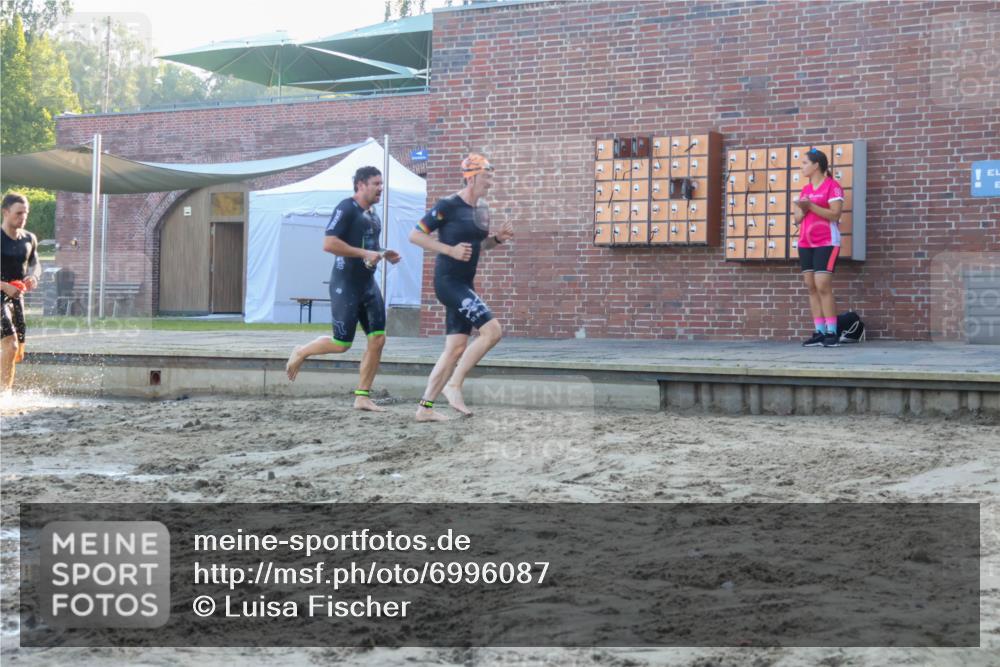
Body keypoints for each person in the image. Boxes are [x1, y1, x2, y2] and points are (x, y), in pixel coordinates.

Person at [285, 167, 400, 411]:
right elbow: (329, 243)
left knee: (378, 338)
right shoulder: (346, 208)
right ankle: (302, 351)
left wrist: (382, 253)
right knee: (341, 344)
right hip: (345, 283)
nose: (381, 188)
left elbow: (369, 246)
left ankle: (362, 396)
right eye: (376, 184)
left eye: (382, 183)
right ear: (360, 185)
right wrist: (364, 253)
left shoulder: (374, 214)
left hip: (368, 283)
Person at [410, 153, 514, 421]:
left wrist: (497, 240)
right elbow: (415, 235)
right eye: (488, 175)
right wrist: (449, 250)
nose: (491, 181)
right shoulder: (448, 205)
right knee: (492, 331)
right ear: (473, 176)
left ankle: (424, 408)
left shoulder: (482, 209)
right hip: (448, 282)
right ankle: (454, 385)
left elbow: (479, 246)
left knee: (455, 348)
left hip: (465, 283)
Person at [794, 148, 845, 348]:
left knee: (823, 285)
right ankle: (820, 332)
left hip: (826, 242)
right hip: (805, 242)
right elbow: (797, 218)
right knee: (811, 286)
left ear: (816, 165)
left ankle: (833, 332)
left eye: (805, 163)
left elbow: (835, 214)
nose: (802, 167)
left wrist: (810, 206)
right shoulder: (805, 190)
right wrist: (802, 208)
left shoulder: (833, 186)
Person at [1, 192, 41, 391]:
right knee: (11, 345)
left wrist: (34, 277)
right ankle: (3, 395)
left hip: (16, 298)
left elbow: (35, 265)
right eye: (18, 213)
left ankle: (4, 392)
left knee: (17, 351)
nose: (23, 217)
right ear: (5, 212)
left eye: (25, 213)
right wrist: (3, 285)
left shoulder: (29, 238)